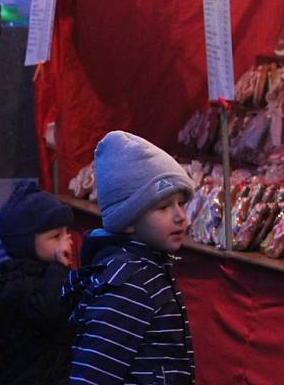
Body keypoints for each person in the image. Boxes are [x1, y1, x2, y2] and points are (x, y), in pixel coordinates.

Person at [66, 131, 196, 384]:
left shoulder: (150, 267)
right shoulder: (129, 283)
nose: (180, 215)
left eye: (181, 203)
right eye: (163, 207)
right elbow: (94, 372)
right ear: (128, 221)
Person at [0, 183, 75, 385]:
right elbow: (46, 313)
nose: (66, 242)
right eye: (56, 236)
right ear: (26, 243)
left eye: (67, 233)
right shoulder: (20, 280)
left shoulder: (52, 274)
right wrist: (58, 269)